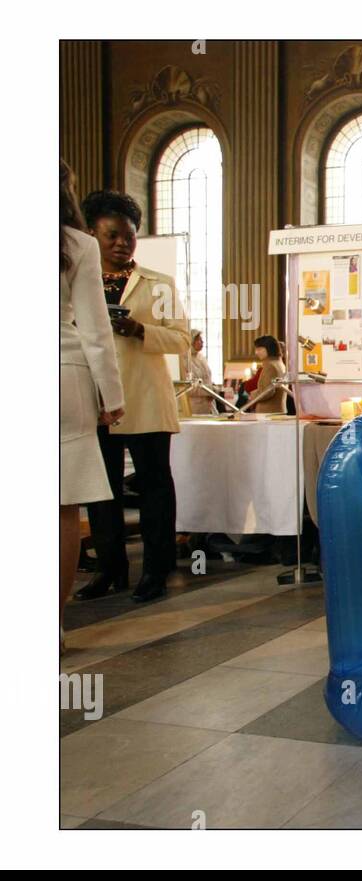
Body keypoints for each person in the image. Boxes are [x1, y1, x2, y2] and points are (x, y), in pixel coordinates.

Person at [75, 190, 190, 603]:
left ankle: (156, 573)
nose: (122, 243)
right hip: (95, 400)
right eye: (112, 236)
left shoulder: (160, 285)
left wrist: (140, 330)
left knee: (156, 486)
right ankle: (110, 569)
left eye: (129, 236)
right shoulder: (76, 281)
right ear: (91, 234)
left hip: (145, 397)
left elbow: (182, 340)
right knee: (101, 490)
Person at [60, 161, 125, 643]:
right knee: (62, 507)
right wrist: (112, 395)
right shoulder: (76, 243)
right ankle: (52, 625)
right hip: (63, 374)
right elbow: (95, 330)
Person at [241, 335, 288, 413]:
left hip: (268, 412)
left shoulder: (270, 366)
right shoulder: (279, 363)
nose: (256, 352)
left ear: (269, 349)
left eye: (259, 349)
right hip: (277, 410)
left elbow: (268, 391)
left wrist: (252, 395)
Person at [181, 328, 216, 414]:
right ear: (191, 341)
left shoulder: (201, 358)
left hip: (209, 405)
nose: (202, 342)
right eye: (199, 340)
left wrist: (213, 389)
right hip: (195, 407)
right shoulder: (184, 360)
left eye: (201, 339)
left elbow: (207, 378)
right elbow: (189, 387)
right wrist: (209, 390)